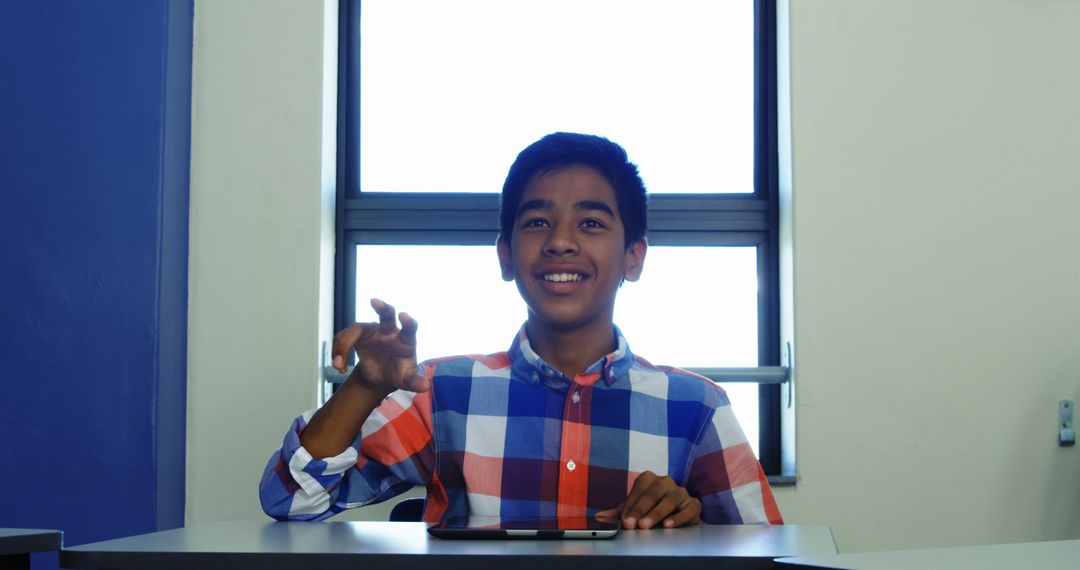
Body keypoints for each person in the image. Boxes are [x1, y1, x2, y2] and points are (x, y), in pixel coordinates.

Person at [259, 132, 783, 528]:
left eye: (592, 223)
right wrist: (365, 388)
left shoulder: (697, 408)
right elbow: (292, 500)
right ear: (505, 256)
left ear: (633, 257)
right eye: (536, 222)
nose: (560, 242)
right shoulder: (441, 393)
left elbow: (768, 552)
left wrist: (690, 526)